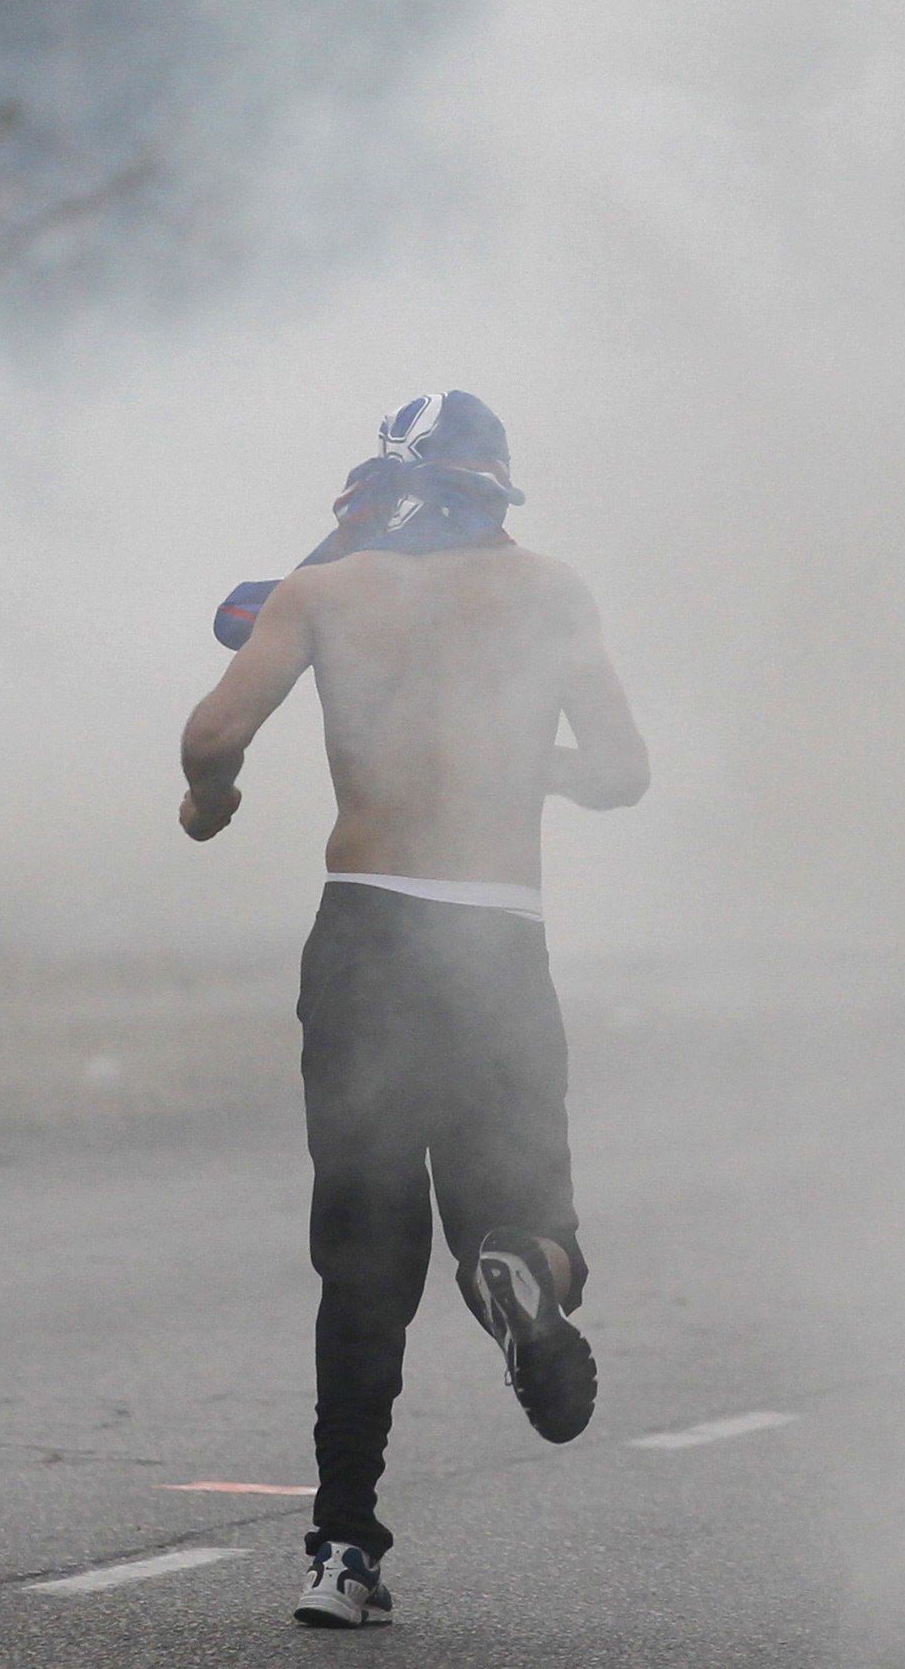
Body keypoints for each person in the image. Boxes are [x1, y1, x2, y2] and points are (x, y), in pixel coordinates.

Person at [178, 390, 649, 1630]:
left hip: (366, 936)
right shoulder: (552, 592)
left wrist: (207, 805)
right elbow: (622, 772)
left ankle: (340, 1550)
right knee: (534, 1215)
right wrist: (515, 761)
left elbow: (216, 729)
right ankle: (513, 1272)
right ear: (499, 488)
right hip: (492, 938)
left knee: (362, 1258)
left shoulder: (326, 594)